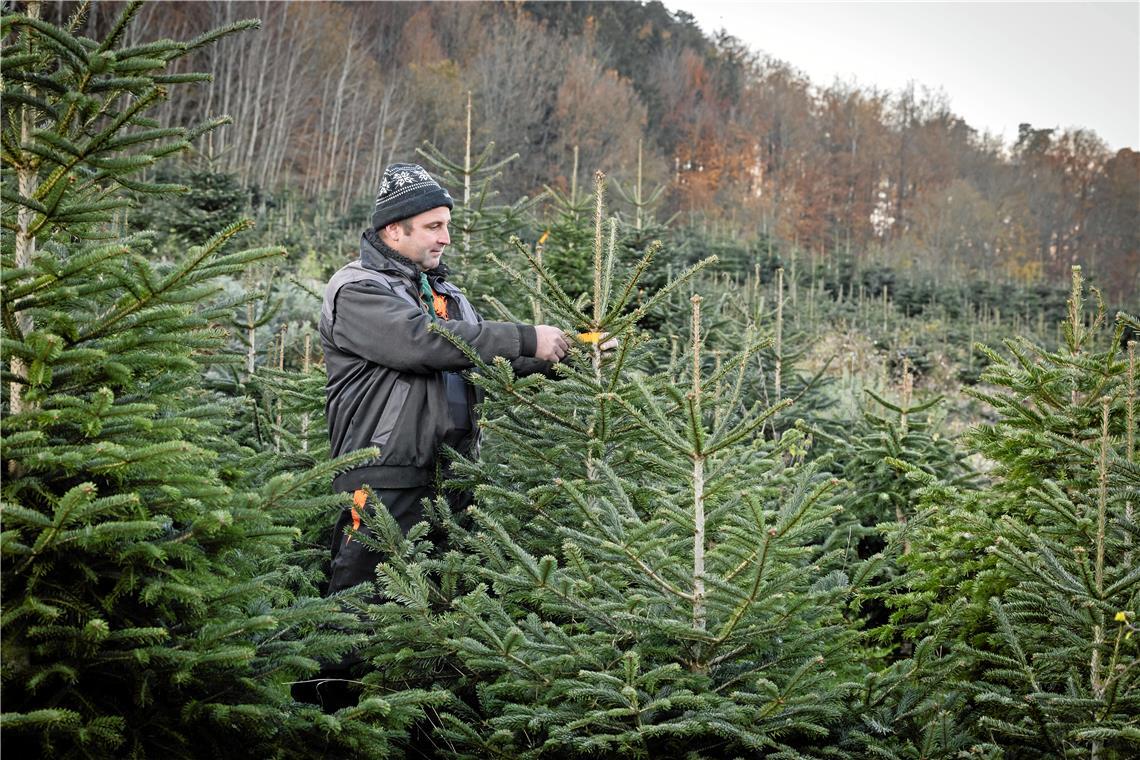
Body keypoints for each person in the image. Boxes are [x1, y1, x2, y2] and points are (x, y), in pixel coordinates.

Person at [318, 163, 568, 597]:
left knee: (441, 605)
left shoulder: (446, 297)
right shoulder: (357, 289)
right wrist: (527, 337)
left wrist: (569, 354)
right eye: (433, 226)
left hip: (451, 476)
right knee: (360, 605)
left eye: (447, 225)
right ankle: (338, 671)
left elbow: (483, 358)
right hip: (382, 478)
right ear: (394, 231)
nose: (445, 238)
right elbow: (421, 343)